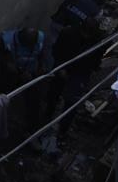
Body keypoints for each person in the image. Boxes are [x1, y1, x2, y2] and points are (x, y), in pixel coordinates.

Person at [46, 18, 109, 147]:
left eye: (89, 36)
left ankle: (62, 131)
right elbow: (56, 51)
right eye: (84, 34)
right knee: (53, 93)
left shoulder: (100, 40)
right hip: (65, 65)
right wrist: (61, 67)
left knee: (72, 102)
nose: (86, 37)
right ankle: (47, 114)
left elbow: (98, 56)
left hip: (82, 71)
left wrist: (95, 69)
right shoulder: (67, 33)